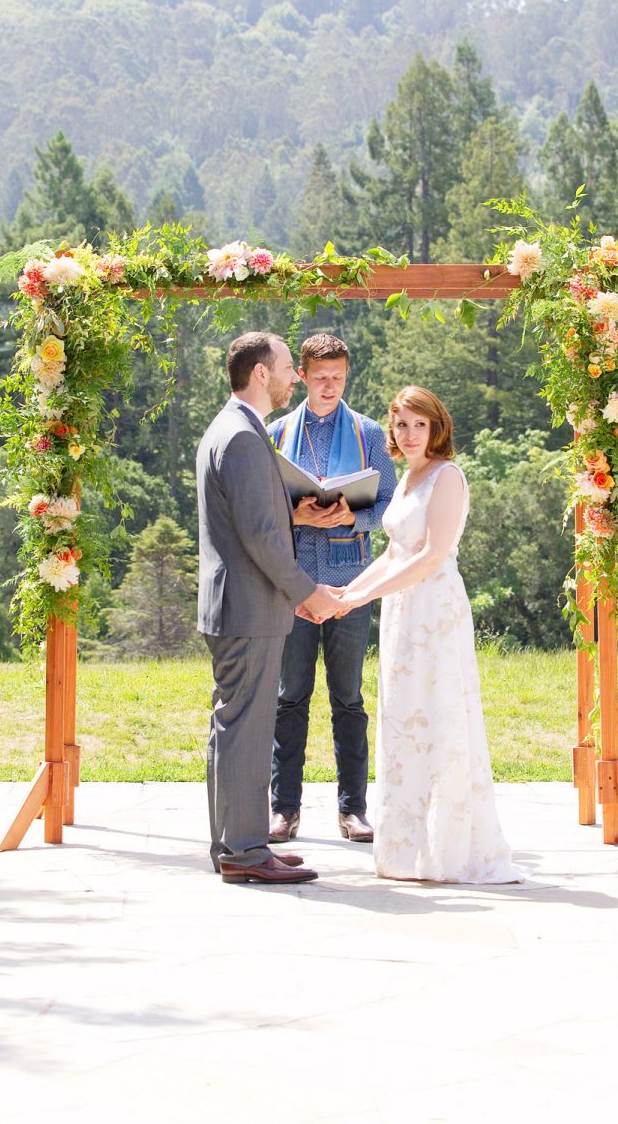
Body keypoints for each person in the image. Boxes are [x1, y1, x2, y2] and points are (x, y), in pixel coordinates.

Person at [338, 386, 523, 883]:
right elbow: (395, 553)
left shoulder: (448, 477)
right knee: (404, 719)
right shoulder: (405, 479)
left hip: (435, 613)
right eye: (402, 425)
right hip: (402, 611)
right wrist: (344, 593)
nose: (410, 433)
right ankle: (407, 852)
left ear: (436, 426)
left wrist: (358, 600)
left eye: (420, 424)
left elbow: (430, 556)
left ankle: (451, 850)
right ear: (392, 429)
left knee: (439, 719)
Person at [196, 331, 342, 885]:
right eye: (286, 366)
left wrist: (295, 517)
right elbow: (259, 537)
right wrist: (308, 593)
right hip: (248, 607)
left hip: (239, 604)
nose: (294, 376)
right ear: (261, 373)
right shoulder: (242, 437)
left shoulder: (232, 430)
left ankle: (238, 844)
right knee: (246, 731)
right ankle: (244, 851)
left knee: (235, 729)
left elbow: (252, 521)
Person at [266, 334, 397, 844]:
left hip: (350, 587)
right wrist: (292, 514)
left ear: (347, 376)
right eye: (319, 378)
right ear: (300, 374)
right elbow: (261, 510)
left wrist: (355, 517)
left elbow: (390, 506)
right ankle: (284, 811)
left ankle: (353, 811)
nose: (328, 387)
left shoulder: (368, 434)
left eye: (338, 379)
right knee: (289, 698)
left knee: (349, 699)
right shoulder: (275, 435)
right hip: (292, 585)